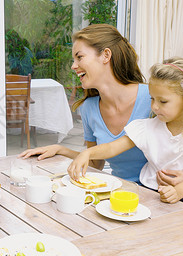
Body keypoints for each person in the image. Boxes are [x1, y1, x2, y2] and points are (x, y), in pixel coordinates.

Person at [68, 57, 183, 256]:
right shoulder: (148, 127)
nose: (155, 107)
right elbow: (113, 147)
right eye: (152, 100)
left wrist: (180, 191)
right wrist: (88, 152)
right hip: (150, 195)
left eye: (163, 101)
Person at [19, 24, 151, 183]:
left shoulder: (153, 99)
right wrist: (60, 150)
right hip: (120, 193)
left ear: (106, 55)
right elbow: (96, 163)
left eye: (79, 57)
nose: (73, 66)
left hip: (160, 194)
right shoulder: (89, 108)